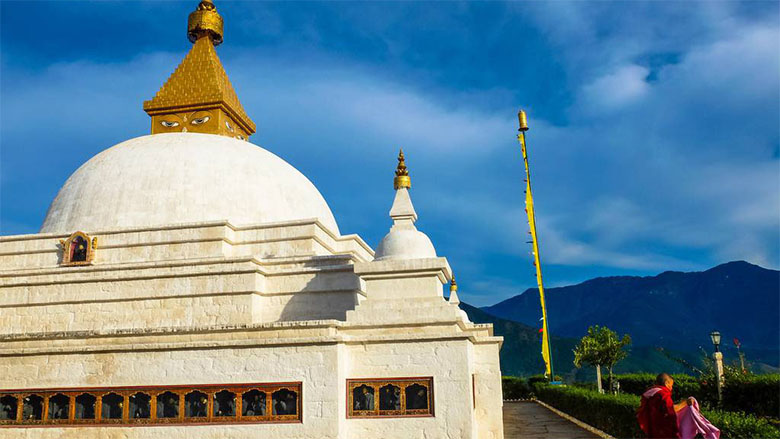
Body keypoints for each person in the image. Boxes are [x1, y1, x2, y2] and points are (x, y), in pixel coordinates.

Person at [637, 373, 694, 438]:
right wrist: (685, 402)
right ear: (666, 383)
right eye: (671, 385)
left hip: (653, 428)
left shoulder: (651, 392)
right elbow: (670, 409)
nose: (671, 388)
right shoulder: (662, 393)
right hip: (663, 431)